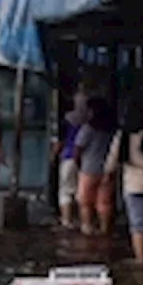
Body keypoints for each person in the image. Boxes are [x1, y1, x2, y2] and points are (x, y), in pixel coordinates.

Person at [105, 100, 143, 263]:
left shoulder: (123, 136)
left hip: (134, 185)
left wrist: (106, 180)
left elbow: (111, 163)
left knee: (138, 225)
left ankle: (141, 261)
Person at [73, 96, 117, 235]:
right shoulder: (112, 130)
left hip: (88, 168)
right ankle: (104, 229)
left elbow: (78, 148)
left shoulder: (88, 129)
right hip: (107, 169)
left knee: (85, 201)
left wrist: (77, 162)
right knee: (104, 202)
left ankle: (87, 227)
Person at [55, 91, 88, 228]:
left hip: (68, 157)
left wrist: (54, 156)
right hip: (87, 160)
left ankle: (66, 220)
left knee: (65, 191)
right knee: (81, 192)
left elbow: (60, 141)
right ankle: (83, 221)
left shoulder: (66, 121)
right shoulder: (89, 122)